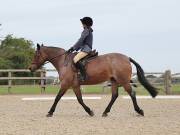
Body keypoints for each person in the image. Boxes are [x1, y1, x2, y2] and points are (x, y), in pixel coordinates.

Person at [67, 17, 93, 81]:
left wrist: (73, 48)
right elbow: (81, 42)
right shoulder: (88, 30)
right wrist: (73, 48)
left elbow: (80, 40)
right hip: (85, 48)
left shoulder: (86, 30)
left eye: (83, 23)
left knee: (75, 59)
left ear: (85, 24)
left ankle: (84, 75)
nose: (82, 25)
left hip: (86, 49)